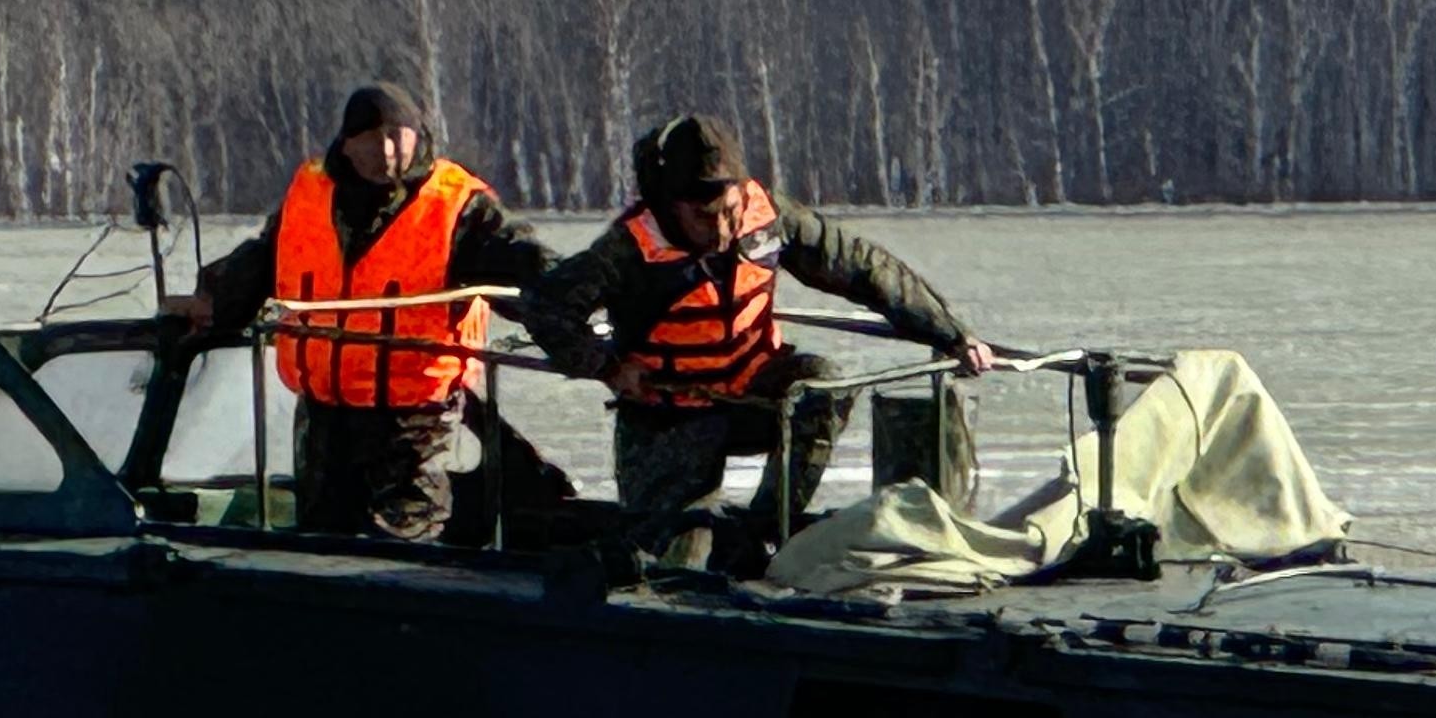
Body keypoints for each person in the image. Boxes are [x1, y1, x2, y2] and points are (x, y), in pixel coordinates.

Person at [524, 112, 1001, 569]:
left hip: (753, 393)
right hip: (667, 416)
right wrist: (607, 367)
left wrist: (950, 332)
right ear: (672, 206)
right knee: (676, 558)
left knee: (822, 384)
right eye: (703, 217)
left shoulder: (769, 217)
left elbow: (862, 267)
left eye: (729, 212)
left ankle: (769, 527)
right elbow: (547, 307)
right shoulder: (627, 249)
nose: (722, 231)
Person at [170, 81, 555, 542]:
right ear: (348, 143)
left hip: (414, 422)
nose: (388, 149)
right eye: (373, 137)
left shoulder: (459, 207)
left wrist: (576, 305)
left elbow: (529, 267)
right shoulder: (309, 196)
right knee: (320, 543)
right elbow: (260, 264)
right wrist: (211, 309)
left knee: (402, 542)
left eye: (399, 134)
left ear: (419, 136)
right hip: (324, 419)